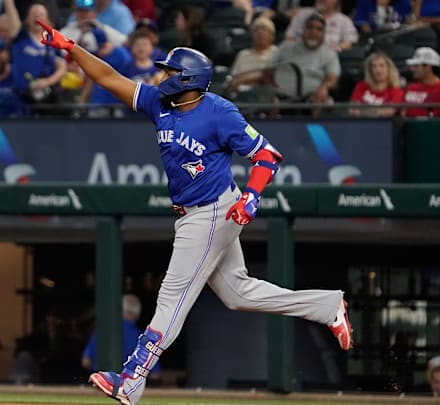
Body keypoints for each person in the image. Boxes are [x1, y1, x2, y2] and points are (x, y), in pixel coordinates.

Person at [36, 19, 353, 405]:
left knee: (171, 297)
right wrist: (70, 48)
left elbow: (267, 156)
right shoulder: (159, 102)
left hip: (212, 211)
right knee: (238, 293)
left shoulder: (219, 112)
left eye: (169, 70)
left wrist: (250, 198)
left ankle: (132, 379)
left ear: (187, 78)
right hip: (194, 210)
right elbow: (108, 77)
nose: (162, 73)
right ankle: (326, 305)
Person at [81, 294, 161, 382]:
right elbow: (155, 375)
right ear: (137, 314)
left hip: (101, 384)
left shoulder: (102, 332)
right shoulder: (144, 338)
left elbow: (86, 362)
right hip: (129, 388)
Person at [265, 13, 340, 103]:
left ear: (324, 34)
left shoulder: (330, 54)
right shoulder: (285, 47)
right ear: (303, 31)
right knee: (267, 96)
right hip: (281, 94)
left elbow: (332, 80)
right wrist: (272, 87)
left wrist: (324, 87)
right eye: (309, 28)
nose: (313, 32)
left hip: (312, 97)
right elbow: (268, 71)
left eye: (319, 29)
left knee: (323, 98)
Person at [226, 16, 278, 94]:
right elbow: (233, 80)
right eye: (256, 30)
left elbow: (270, 78)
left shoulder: (277, 53)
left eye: (264, 29)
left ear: (272, 36)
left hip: (267, 94)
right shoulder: (243, 54)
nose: (260, 32)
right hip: (243, 94)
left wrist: (245, 80)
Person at [402, 46, 440, 117]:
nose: (412, 69)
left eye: (416, 66)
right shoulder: (410, 87)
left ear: (428, 67)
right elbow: (402, 112)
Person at [285, 0, 358, 51]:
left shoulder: (344, 20)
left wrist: (331, 52)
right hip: (301, 55)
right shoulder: (302, 14)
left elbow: (348, 43)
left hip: (329, 59)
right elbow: (289, 37)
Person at [349, 51, 403, 117]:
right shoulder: (361, 86)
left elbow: (389, 112)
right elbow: (352, 110)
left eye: (382, 66)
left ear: (389, 69)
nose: (378, 70)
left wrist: (363, 111)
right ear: (370, 70)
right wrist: (378, 111)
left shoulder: (396, 91)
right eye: (374, 66)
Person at [60, 0, 127, 47]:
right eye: (80, 11)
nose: (83, 15)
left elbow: (124, 42)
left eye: (86, 11)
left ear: (94, 13)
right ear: (76, 13)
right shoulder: (68, 29)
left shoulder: (102, 29)